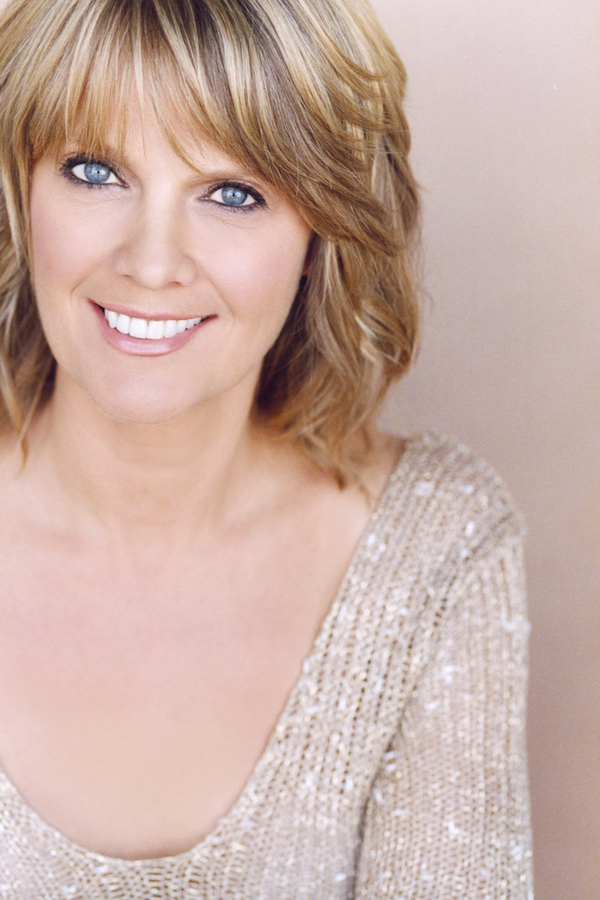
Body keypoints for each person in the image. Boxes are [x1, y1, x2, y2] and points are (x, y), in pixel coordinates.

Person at [0, 0, 533, 895]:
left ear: (320, 234)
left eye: (233, 193)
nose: (152, 262)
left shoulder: (434, 553)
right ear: (19, 190)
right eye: (95, 171)